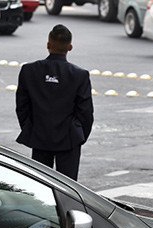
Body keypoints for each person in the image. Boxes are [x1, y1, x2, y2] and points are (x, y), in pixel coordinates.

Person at [15, 24, 94, 181]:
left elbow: (22, 106)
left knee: (40, 185)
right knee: (68, 187)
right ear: (70, 47)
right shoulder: (79, 75)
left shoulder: (29, 71)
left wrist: (31, 128)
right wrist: (79, 135)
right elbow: (86, 112)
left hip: (39, 136)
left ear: (48, 45)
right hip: (69, 138)